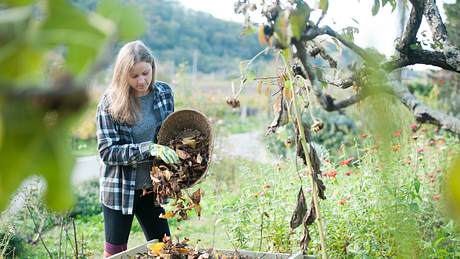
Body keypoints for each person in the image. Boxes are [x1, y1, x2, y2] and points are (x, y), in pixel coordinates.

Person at [96, 40, 180, 258]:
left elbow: (169, 135)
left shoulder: (164, 93)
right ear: (122, 74)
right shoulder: (109, 103)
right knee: (115, 253)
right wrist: (148, 148)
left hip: (152, 189)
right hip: (120, 189)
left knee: (164, 249)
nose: (142, 81)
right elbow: (107, 152)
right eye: (134, 76)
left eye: (146, 73)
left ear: (152, 67)